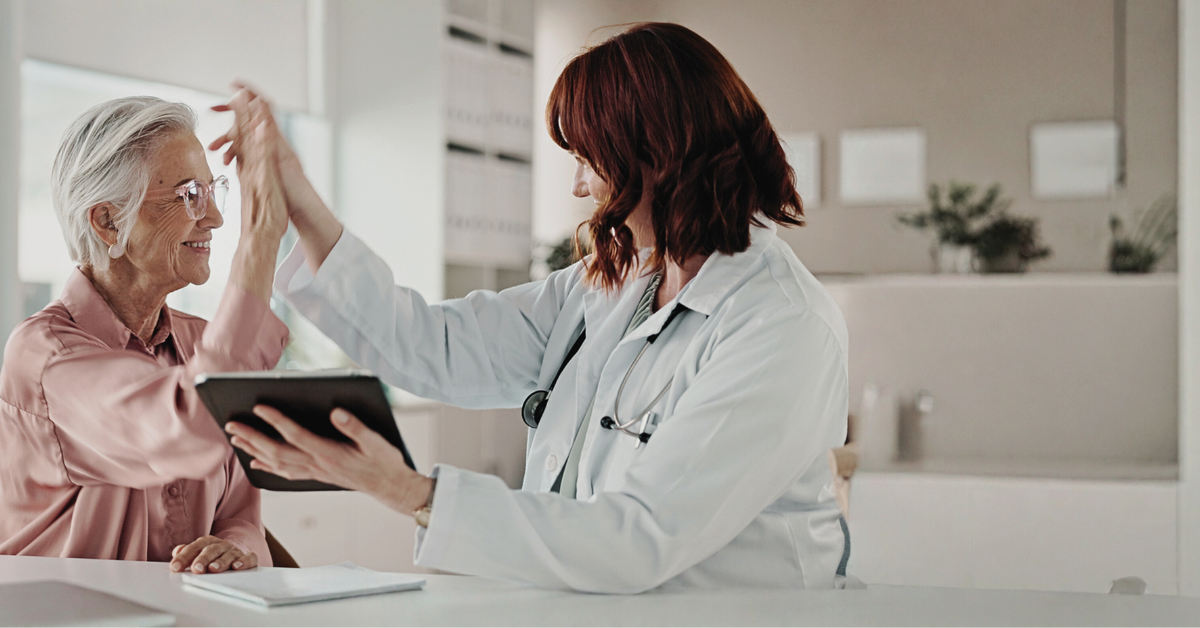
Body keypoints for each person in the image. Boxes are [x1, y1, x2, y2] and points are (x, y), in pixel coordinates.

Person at [223, 22, 849, 593]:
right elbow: (430, 346)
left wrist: (407, 490)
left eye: (587, 158)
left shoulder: (781, 323)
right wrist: (298, 199)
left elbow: (637, 539)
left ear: (656, 153)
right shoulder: (611, 285)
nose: (580, 186)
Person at [0, 95, 289, 574]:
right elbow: (186, 428)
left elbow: (240, 515)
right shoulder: (46, 357)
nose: (215, 218)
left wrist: (239, 549)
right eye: (190, 195)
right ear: (109, 221)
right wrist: (260, 237)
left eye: (213, 190)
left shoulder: (202, 345)